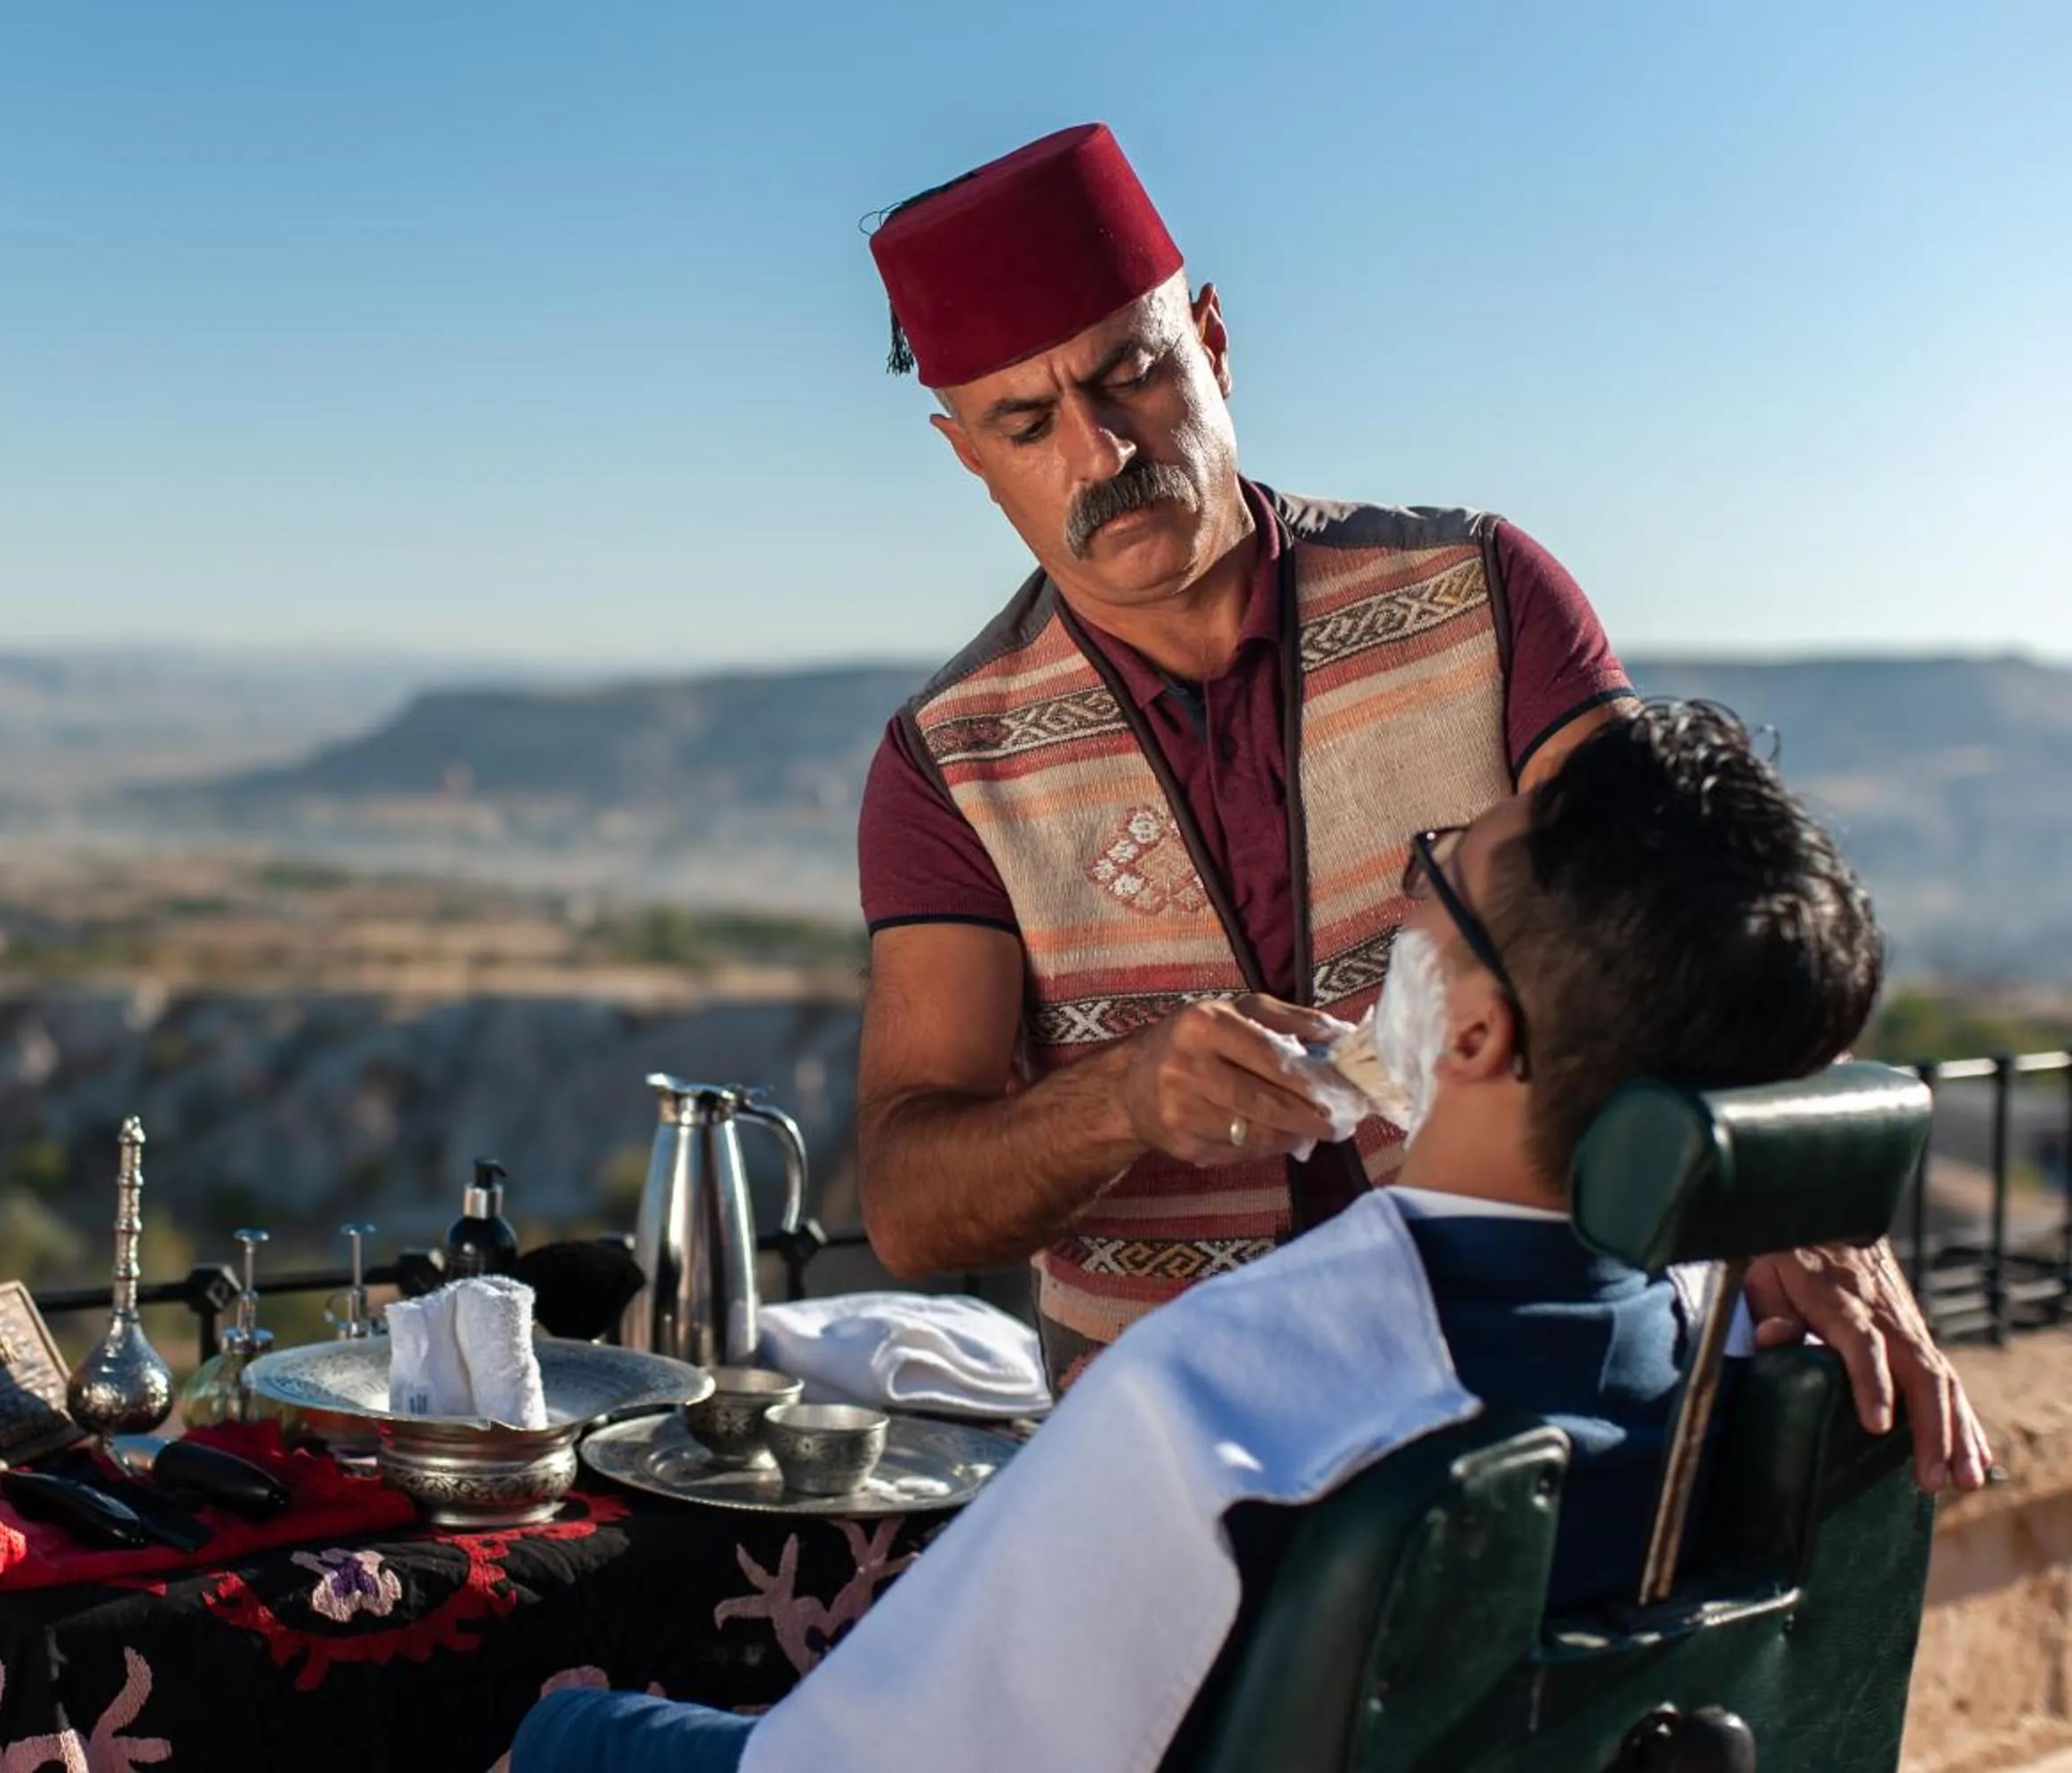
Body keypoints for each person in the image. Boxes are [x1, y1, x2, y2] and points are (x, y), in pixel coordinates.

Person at [846, 121, 1983, 1491]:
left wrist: (1807, 1206)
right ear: (966, 453)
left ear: (1209, 338)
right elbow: (909, 1206)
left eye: (1131, 374)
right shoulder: (949, 764)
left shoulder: (1486, 596)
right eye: (1025, 424)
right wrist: (1120, 1103)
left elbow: (1687, 912)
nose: (1098, 453)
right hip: (1180, 1471)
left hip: (1553, 1409)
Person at [514, 702, 1922, 1773]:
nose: (1406, 903)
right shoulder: (1752, 1350)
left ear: (1478, 1029)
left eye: (1440, 877)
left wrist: (589, 1737)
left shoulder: (1231, 1395)